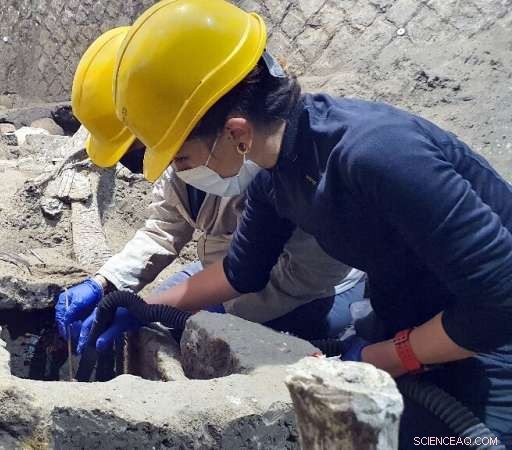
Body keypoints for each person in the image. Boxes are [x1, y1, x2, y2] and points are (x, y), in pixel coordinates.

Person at [102, 0, 512, 446]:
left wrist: (385, 357)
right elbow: (241, 273)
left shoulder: (376, 154)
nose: (181, 171)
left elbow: (499, 304)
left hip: (488, 339)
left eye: (182, 156)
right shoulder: (278, 178)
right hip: (410, 313)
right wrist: (141, 307)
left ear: (237, 134)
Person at [56, 26, 365, 355]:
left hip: (305, 294)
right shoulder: (190, 151)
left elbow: (301, 277)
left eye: (143, 152)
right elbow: (166, 227)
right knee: (158, 323)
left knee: (191, 342)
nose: (161, 166)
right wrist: (108, 281)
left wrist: (213, 310)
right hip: (227, 272)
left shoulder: (294, 170)